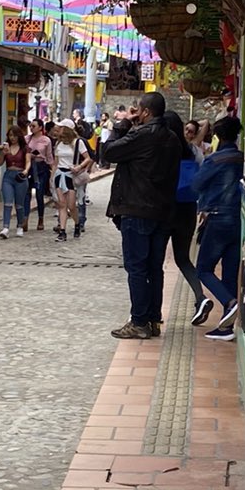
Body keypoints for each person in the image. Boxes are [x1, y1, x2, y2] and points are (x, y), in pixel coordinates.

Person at [96, 93, 180, 339]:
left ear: (144, 112)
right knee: (154, 268)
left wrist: (122, 123)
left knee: (137, 268)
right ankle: (153, 318)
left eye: (138, 110)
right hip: (163, 211)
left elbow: (108, 152)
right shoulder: (172, 138)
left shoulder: (142, 135)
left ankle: (139, 321)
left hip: (137, 208)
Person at [194, 115, 244, 338]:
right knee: (230, 273)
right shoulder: (243, 158)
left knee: (204, 269)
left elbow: (197, 184)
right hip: (239, 219)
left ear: (216, 136)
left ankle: (229, 302)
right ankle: (226, 327)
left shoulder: (215, 160)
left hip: (217, 217)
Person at [162, 110, 208, 320]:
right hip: (188, 208)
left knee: (156, 261)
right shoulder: (193, 151)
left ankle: (152, 309)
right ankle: (201, 297)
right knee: (183, 259)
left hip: (164, 208)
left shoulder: (160, 149)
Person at [50, 123, 93, 242]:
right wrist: (52, 178)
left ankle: (77, 223)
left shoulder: (77, 142)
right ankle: (63, 232)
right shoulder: (58, 144)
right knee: (61, 204)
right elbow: (56, 162)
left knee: (71, 206)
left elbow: (88, 158)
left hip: (70, 174)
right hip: (60, 174)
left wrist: (79, 167)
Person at [0, 126, 31, 238]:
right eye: (10, 135)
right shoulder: (6, 148)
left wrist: (26, 171)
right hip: (8, 176)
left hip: (20, 176)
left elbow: (28, 161)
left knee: (19, 204)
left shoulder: (25, 148)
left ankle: (19, 226)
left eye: (14, 135)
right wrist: (3, 153)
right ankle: (5, 227)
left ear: (19, 136)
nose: (12, 138)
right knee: (7, 202)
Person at [26, 117, 55, 231]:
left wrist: (53, 171)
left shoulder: (46, 140)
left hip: (41, 168)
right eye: (30, 126)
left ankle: (40, 219)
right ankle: (25, 219)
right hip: (29, 167)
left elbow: (49, 157)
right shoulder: (26, 139)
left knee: (39, 194)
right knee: (26, 194)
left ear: (40, 128)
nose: (31, 128)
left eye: (34, 126)